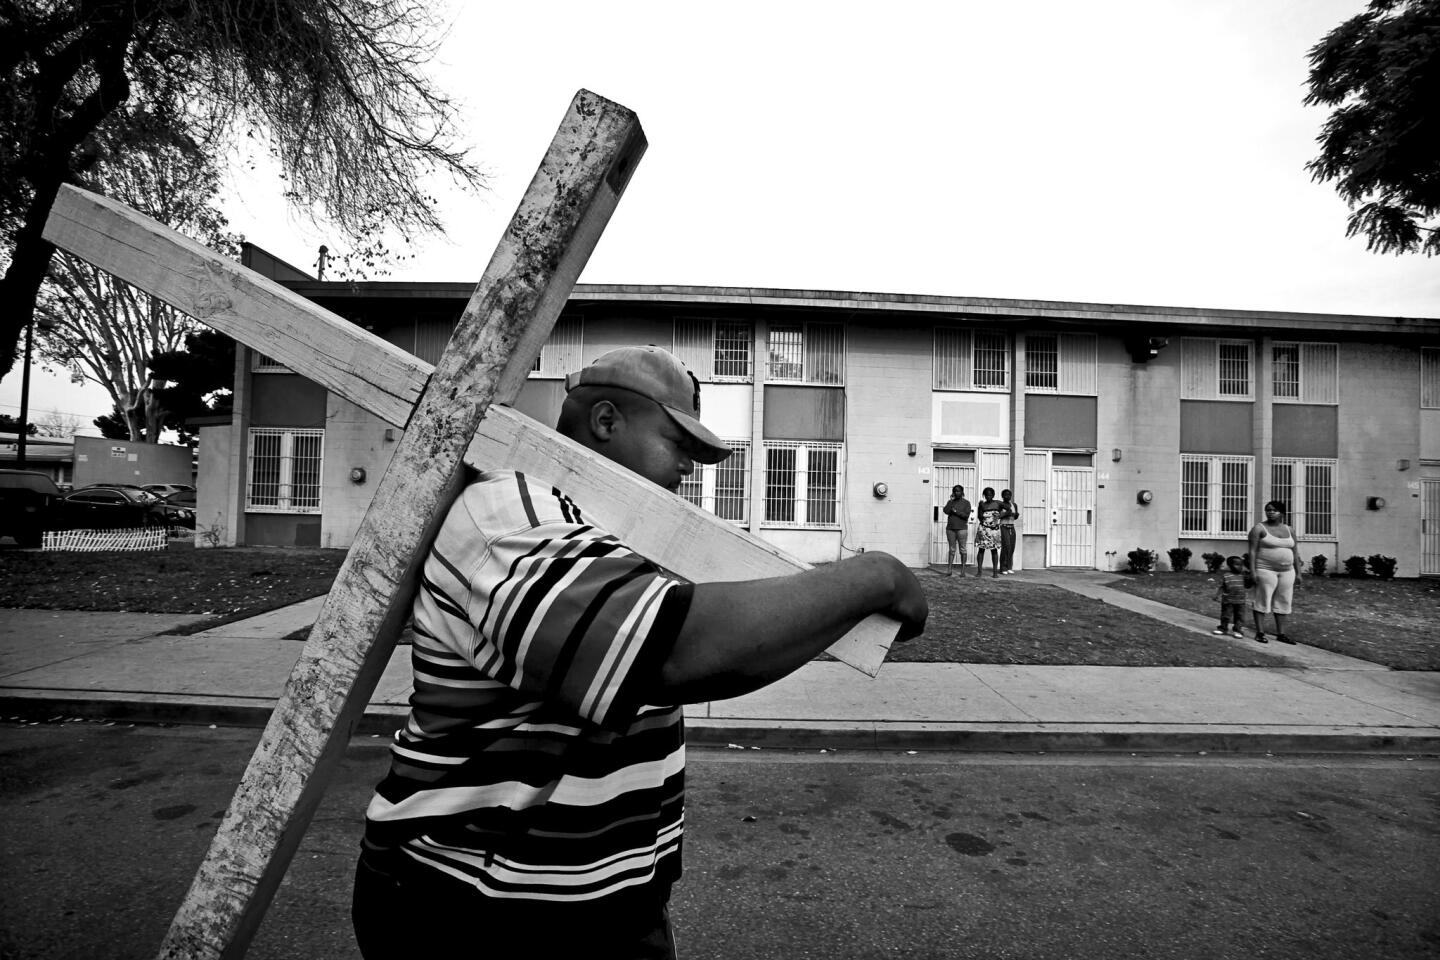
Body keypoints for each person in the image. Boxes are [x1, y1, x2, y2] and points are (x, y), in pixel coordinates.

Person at [352, 345, 928, 959]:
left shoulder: (609, 529)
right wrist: (877, 578)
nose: (689, 469)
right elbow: (676, 652)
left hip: (604, 902)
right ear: (606, 422)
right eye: (677, 445)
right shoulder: (511, 516)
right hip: (479, 907)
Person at [1247, 500, 1302, 644]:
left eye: (1274, 510)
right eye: (1268, 510)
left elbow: (1295, 552)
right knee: (1262, 599)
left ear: (1282, 513)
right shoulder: (1258, 529)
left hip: (1287, 571)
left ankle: (1281, 634)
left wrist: (1299, 573)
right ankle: (1260, 632)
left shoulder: (1290, 530)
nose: (1270, 512)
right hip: (1265, 569)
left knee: (1284, 600)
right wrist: (1252, 571)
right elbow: (1252, 552)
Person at [1212, 555, 1248, 638]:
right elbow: (1222, 586)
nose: (1240, 567)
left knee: (1239, 616)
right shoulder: (1226, 576)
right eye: (1237, 565)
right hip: (1228, 600)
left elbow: (1248, 585)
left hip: (1240, 601)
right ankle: (1223, 628)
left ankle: (1237, 630)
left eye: (1241, 565)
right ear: (1230, 566)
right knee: (1225, 615)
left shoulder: (1243, 576)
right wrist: (1217, 595)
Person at [942, 484, 971, 576]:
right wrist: (950, 501)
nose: (956, 492)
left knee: (962, 549)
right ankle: (949, 570)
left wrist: (955, 511)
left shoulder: (966, 503)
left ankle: (963, 570)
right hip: (950, 528)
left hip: (962, 529)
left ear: (962, 492)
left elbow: (966, 516)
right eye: (954, 491)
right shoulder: (951, 502)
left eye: (958, 491)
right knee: (951, 549)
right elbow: (946, 511)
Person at [974, 487, 1003, 578]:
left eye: (990, 494)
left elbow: (1009, 510)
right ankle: (979, 572)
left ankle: (995, 572)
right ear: (984, 495)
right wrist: (979, 507)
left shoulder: (998, 503)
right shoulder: (982, 505)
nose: (988, 496)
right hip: (984, 529)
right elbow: (979, 516)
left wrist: (1000, 517)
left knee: (994, 550)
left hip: (994, 531)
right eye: (986, 495)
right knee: (981, 549)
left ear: (993, 495)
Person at [998, 488, 1019, 574]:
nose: (1008, 496)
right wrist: (1007, 513)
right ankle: (1003, 568)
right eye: (1006, 495)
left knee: (1012, 547)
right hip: (1004, 526)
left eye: (1009, 495)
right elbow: (999, 516)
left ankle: (1009, 566)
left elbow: (1015, 516)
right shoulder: (1000, 505)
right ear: (1002, 496)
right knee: (1006, 546)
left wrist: (1016, 515)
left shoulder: (1014, 504)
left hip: (1012, 526)